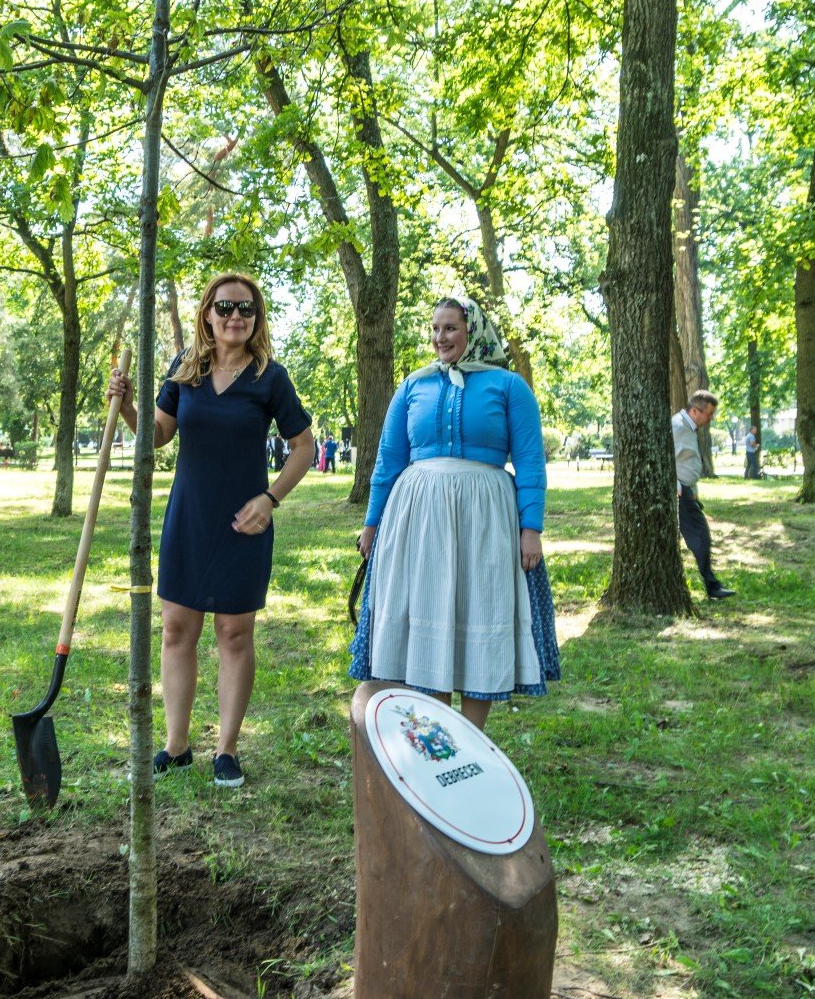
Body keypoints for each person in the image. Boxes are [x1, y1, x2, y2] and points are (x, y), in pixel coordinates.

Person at [108, 273, 314, 787]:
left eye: (246, 309)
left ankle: (226, 749)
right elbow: (155, 436)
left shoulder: (270, 377)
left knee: (233, 633)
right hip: (190, 516)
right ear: (207, 313)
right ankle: (176, 747)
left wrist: (270, 500)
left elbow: (304, 447)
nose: (235, 317)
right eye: (225, 307)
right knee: (178, 629)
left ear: (256, 318)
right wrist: (129, 404)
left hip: (244, 523)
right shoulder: (185, 370)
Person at [350, 297, 559, 731]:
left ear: (473, 331)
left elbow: (530, 462)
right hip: (418, 520)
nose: (439, 337)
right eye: (434, 328)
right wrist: (372, 524)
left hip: (486, 517)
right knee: (429, 610)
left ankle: (471, 737)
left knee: (479, 608)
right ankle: (439, 729)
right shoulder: (413, 386)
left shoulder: (508, 386)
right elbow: (388, 460)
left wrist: (531, 528)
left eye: (449, 328)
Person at [673, 390, 734, 599]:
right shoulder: (678, 427)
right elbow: (663, 456)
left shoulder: (689, 427)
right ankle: (712, 586)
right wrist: (675, 485)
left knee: (699, 537)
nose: (711, 418)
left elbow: (686, 460)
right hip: (679, 494)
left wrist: (693, 490)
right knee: (701, 537)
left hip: (688, 492)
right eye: (709, 413)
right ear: (695, 411)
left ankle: (711, 585)